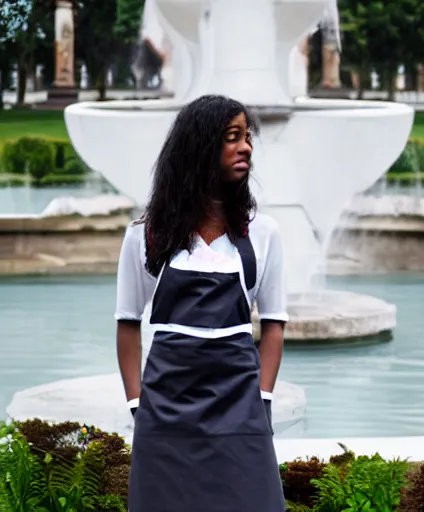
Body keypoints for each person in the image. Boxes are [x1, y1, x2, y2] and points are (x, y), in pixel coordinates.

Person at [115, 94, 288, 512]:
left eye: (247, 137)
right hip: (165, 413)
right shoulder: (145, 235)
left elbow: (274, 325)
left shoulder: (262, 233)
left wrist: (261, 401)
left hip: (241, 410)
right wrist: (139, 406)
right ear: (200, 147)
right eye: (232, 137)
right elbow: (127, 324)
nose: (246, 146)